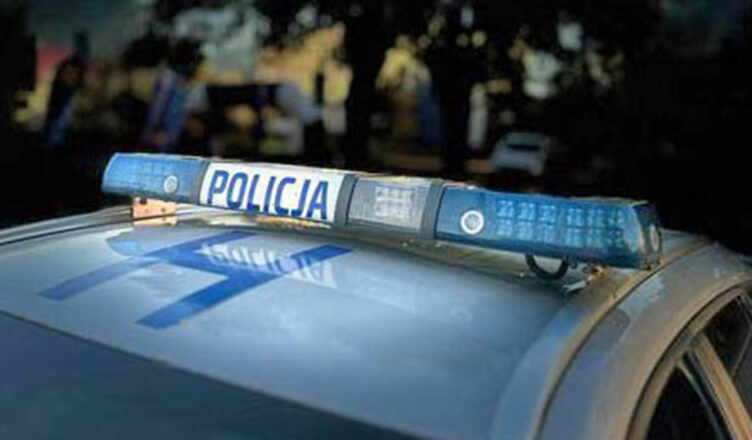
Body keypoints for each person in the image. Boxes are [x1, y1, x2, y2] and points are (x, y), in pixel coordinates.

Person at [43, 32, 88, 148]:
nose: (70, 77)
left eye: (73, 74)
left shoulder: (79, 97)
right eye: (68, 73)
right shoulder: (60, 97)